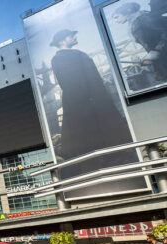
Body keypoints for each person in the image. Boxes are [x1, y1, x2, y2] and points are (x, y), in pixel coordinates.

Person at [49, 28, 138, 193]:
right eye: (70, 35)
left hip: (96, 102)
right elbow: (72, 84)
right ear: (62, 40)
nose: (75, 36)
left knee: (109, 140)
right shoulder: (60, 59)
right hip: (84, 106)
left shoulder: (76, 54)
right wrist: (90, 100)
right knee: (91, 142)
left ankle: (117, 169)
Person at [111, 2, 167, 82]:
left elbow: (165, 32)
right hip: (160, 58)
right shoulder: (136, 22)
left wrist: (155, 51)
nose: (116, 21)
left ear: (127, 12)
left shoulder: (143, 19)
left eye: (117, 17)